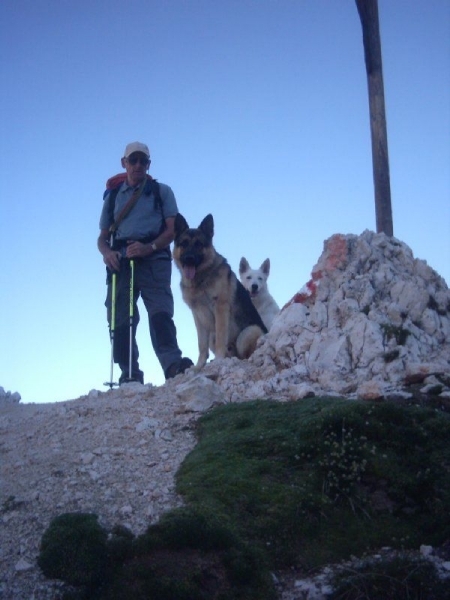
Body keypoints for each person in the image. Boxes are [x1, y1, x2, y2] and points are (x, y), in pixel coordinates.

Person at [97, 141, 192, 384]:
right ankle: (129, 372)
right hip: (121, 259)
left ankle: (172, 366)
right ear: (124, 163)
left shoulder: (162, 191)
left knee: (160, 312)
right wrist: (107, 253)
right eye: (133, 160)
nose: (138, 165)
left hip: (154, 258)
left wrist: (148, 247)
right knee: (119, 317)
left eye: (143, 161)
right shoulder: (114, 197)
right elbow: (102, 237)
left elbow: (172, 230)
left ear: (148, 164)